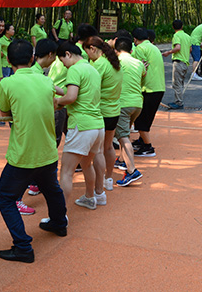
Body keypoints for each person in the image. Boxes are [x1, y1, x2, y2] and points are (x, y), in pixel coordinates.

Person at [0, 39, 68, 263]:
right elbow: (57, 98)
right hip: (47, 151)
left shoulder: (7, 84)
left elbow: (4, 110)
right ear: (31, 59)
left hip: (23, 154)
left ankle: (23, 246)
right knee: (51, 188)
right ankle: (59, 223)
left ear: (8, 60)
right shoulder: (46, 82)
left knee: (4, 197)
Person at [55, 42, 104, 210]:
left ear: (68, 54)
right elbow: (80, 93)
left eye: (62, 61)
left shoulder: (74, 69)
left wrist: (57, 102)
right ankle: (90, 197)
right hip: (97, 126)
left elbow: (71, 97)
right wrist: (59, 91)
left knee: (66, 171)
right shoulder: (92, 69)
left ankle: (60, 214)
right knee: (86, 164)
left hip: (82, 126)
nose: (63, 65)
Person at [82, 36, 121, 196]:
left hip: (101, 111)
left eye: (87, 52)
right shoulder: (114, 62)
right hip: (114, 111)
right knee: (109, 146)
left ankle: (99, 187)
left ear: (92, 49)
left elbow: (90, 87)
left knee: (97, 151)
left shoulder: (99, 65)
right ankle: (109, 179)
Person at [112, 37, 145, 186]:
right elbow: (143, 76)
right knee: (124, 133)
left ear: (116, 50)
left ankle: (132, 170)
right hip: (137, 103)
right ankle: (122, 160)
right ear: (131, 50)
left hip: (123, 104)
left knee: (123, 136)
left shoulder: (117, 62)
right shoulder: (138, 63)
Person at [131, 28, 164, 157]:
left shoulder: (139, 49)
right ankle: (142, 140)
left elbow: (140, 69)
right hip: (158, 87)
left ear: (135, 39)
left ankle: (148, 147)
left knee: (141, 120)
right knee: (146, 116)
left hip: (148, 88)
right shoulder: (153, 47)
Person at [162, 20, 191, 110]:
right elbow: (190, 49)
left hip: (178, 62)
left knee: (176, 84)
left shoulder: (176, 35)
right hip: (185, 62)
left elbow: (178, 47)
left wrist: (169, 52)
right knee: (180, 82)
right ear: (182, 26)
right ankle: (178, 100)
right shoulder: (187, 36)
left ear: (173, 27)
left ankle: (179, 102)